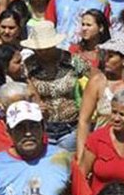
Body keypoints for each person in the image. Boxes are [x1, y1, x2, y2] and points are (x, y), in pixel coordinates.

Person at [22, 20, 90, 152]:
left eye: (46, 48)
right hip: (43, 127)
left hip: (71, 127)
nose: (43, 52)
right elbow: (23, 89)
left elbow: (94, 77)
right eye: (39, 49)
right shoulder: (28, 66)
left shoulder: (72, 60)